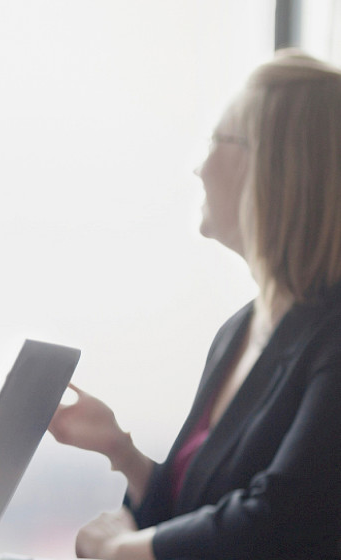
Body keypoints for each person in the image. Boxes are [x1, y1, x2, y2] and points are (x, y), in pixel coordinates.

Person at [48, 50, 341, 560]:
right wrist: (121, 451)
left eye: (216, 141)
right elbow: (194, 513)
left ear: (273, 166)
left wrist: (119, 549)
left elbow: (279, 520)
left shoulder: (332, 338)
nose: (199, 167)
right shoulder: (240, 330)